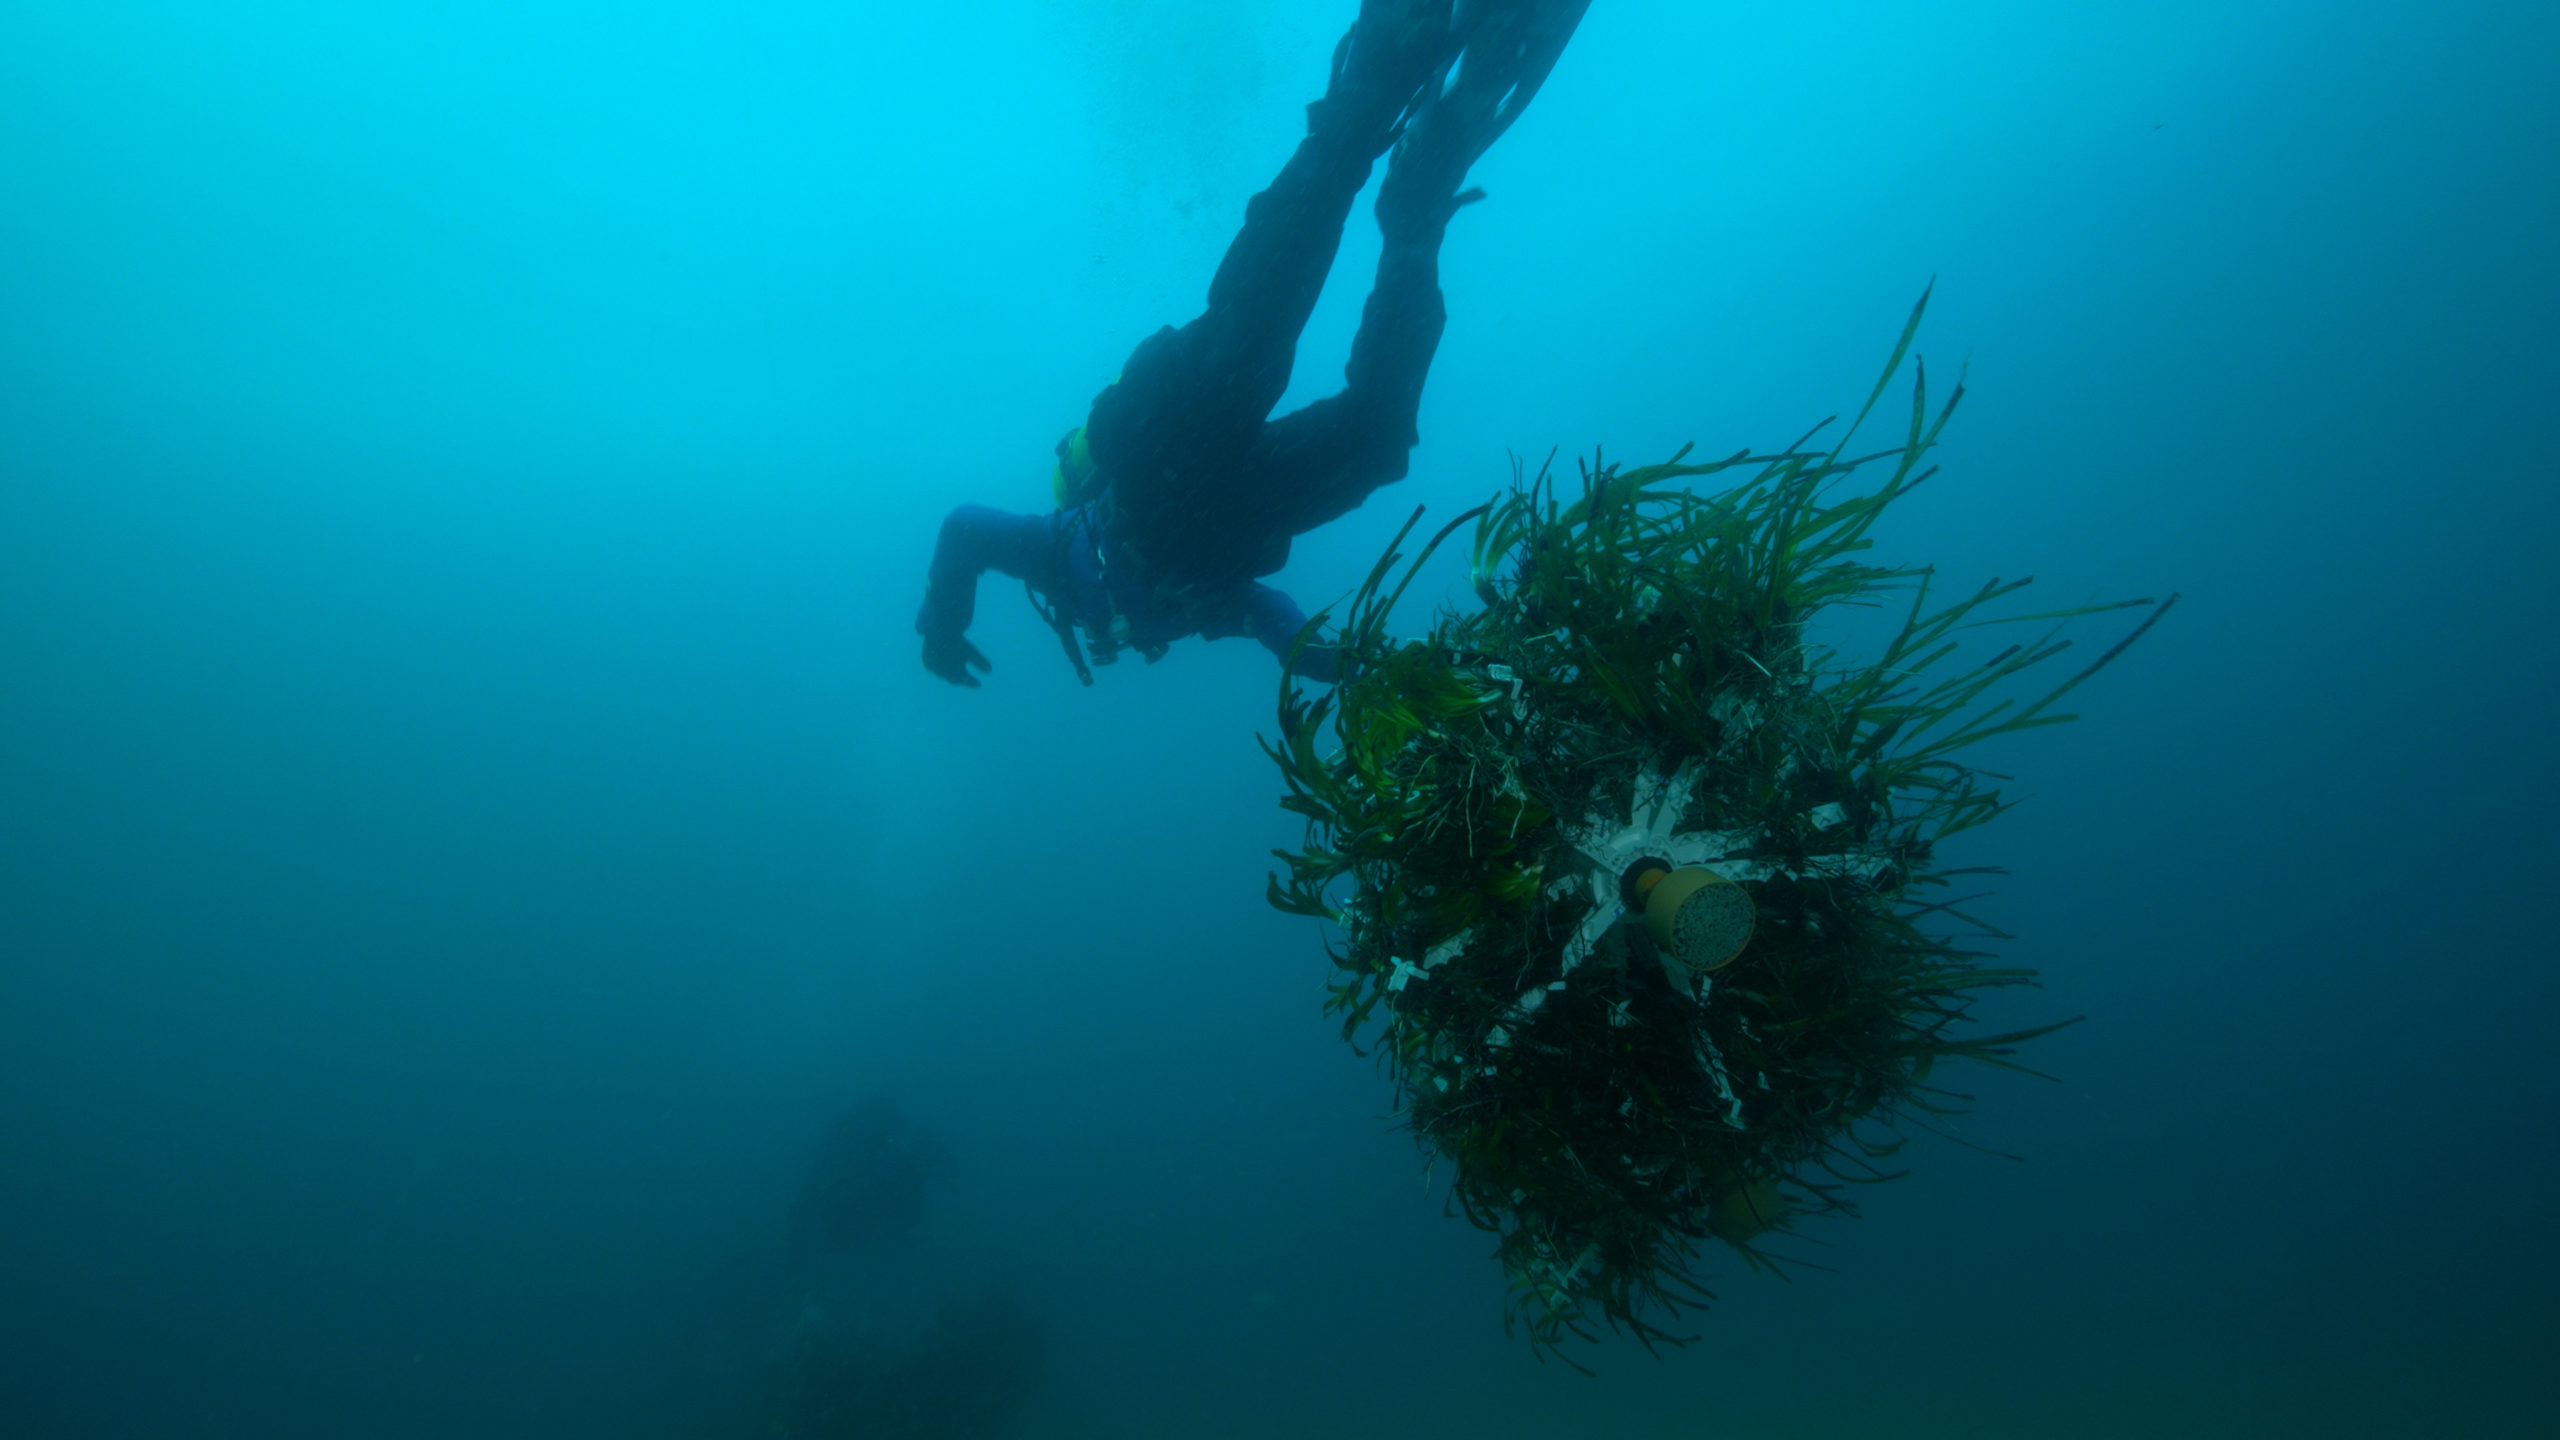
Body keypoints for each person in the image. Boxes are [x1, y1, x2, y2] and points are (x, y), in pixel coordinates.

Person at [915, 0, 1591, 687]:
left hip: (1157, 465)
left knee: (1250, 345)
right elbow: (1278, 626)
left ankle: (1367, 96)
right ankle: (1416, 211)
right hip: (1229, 512)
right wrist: (1348, 665)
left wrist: (941, 616)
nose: (1111, 638)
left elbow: (966, 528)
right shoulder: (1202, 609)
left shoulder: (1055, 556)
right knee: (1375, 439)